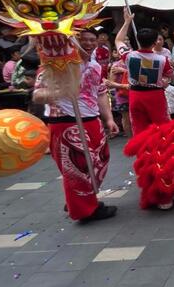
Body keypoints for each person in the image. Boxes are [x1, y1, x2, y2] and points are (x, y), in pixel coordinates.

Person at [32, 29, 119, 222]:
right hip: (65, 122)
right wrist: (63, 90)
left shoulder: (95, 66)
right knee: (76, 167)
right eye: (83, 40)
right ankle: (84, 210)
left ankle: (80, 199)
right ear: (73, 42)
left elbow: (101, 92)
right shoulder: (53, 66)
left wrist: (109, 118)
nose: (88, 44)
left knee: (99, 160)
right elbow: (37, 96)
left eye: (92, 40)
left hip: (91, 120)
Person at [115, 9, 173, 135]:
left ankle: (143, 152)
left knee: (139, 127)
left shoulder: (128, 55)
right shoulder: (163, 60)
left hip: (136, 94)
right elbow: (169, 75)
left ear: (138, 40)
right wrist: (165, 81)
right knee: (162, 126)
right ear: (154, 43)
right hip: (155, 95)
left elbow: (118, 40)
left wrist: (127, 22)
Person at [106, 55, 131, 138]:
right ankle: (131, 140)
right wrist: (124, 86)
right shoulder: (116, 66)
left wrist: (124, 71)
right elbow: (110, 83)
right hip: (122, 96)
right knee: (126, 118)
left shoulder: (135, 61)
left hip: (135, 94)